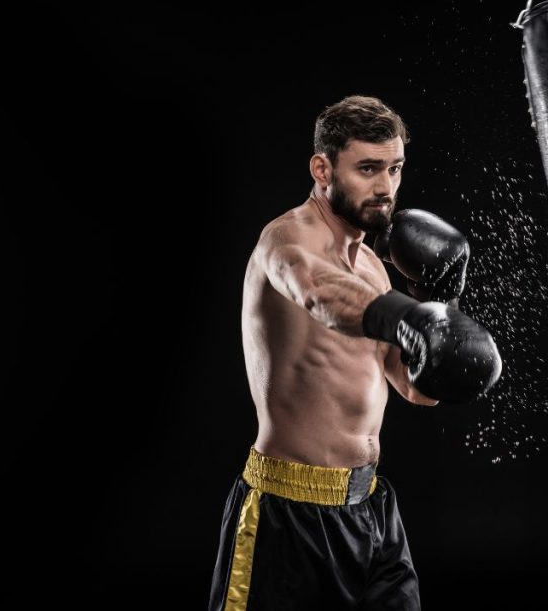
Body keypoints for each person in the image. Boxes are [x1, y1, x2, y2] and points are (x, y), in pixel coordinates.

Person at [207, 95, 502, 611]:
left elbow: (416, 389)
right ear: (322, 168)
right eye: (368, 169)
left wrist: (440, 302)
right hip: (287, 514)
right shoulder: (284, 241)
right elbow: (320, 294)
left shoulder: (372, 268)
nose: (386, 187)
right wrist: (410, 316)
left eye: (395, 168)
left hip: (371, 512)